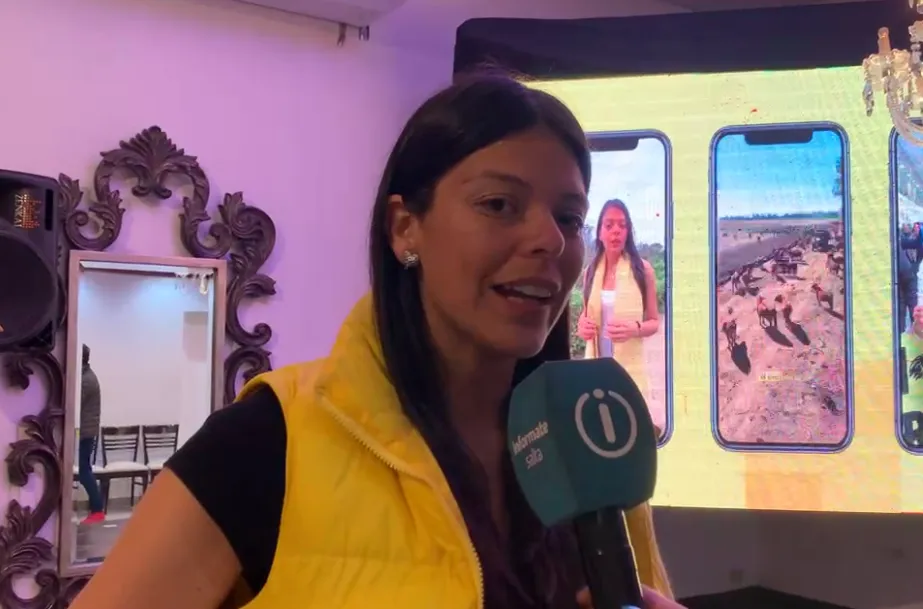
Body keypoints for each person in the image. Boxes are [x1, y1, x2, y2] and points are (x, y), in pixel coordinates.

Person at [70, 74, 683, 609]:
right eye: (499, 204)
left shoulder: (591, 441)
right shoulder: (266, 442)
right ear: (404, 228)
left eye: (569, 217)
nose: (549, 239)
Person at [576, 200, 661, 427]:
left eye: (622, 225)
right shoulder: (590, 273)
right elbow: (585, 316)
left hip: (629, 371)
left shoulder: (643, 270)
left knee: (628, 427)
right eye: (609, 225)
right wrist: (582, 326)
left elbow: (654, 322)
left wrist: (635, 328)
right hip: (596, 368)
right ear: (600, 232)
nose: (616, 231)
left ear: (628, 232)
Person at [78, 344, 105, 525]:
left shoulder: (86, 379)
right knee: (84, 470)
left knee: (84, 472)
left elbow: (74, 400)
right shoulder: (85, 376)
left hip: (86, 431)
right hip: (86, 429)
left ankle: (97, 510)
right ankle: (97, 509)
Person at [898, 223, 923, 334]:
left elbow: (916, 243)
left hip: (906, 274)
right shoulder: (901, 238)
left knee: (905, 305)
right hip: (907, 274)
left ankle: (907, 333)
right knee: (906, 305)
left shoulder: (900, 239)